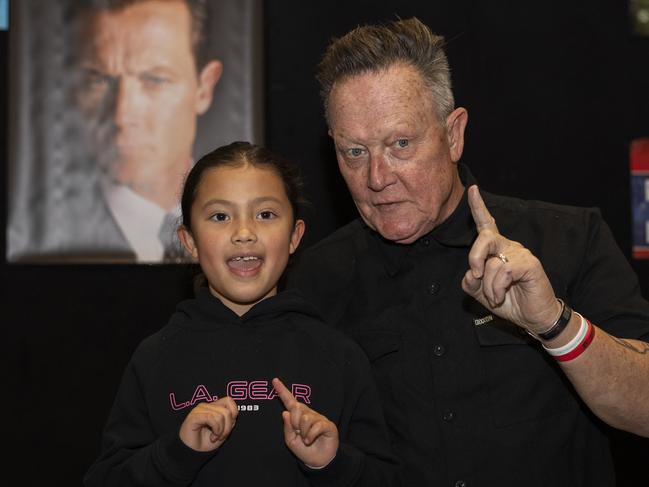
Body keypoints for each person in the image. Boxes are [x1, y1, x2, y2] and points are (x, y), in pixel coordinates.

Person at [285, 17, 649, 486]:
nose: (376, 177)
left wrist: (554, 325)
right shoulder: (314, 280)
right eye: (354, 152)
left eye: (400, 144)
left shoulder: (569, 240)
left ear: (453, 134)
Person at [83, 142, 401, 486]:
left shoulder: (340, 357)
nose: (244, 233)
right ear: (189, 241)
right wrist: (178, 452)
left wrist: (332, 462)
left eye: (265, 214)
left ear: (295, 236)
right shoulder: (154, 358)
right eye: (220, 216)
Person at [73, 0, 223, 262]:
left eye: (155, 80)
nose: (122, 115)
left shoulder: (248, 225)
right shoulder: (52, 223)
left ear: (204, 87)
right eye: (98, 79)